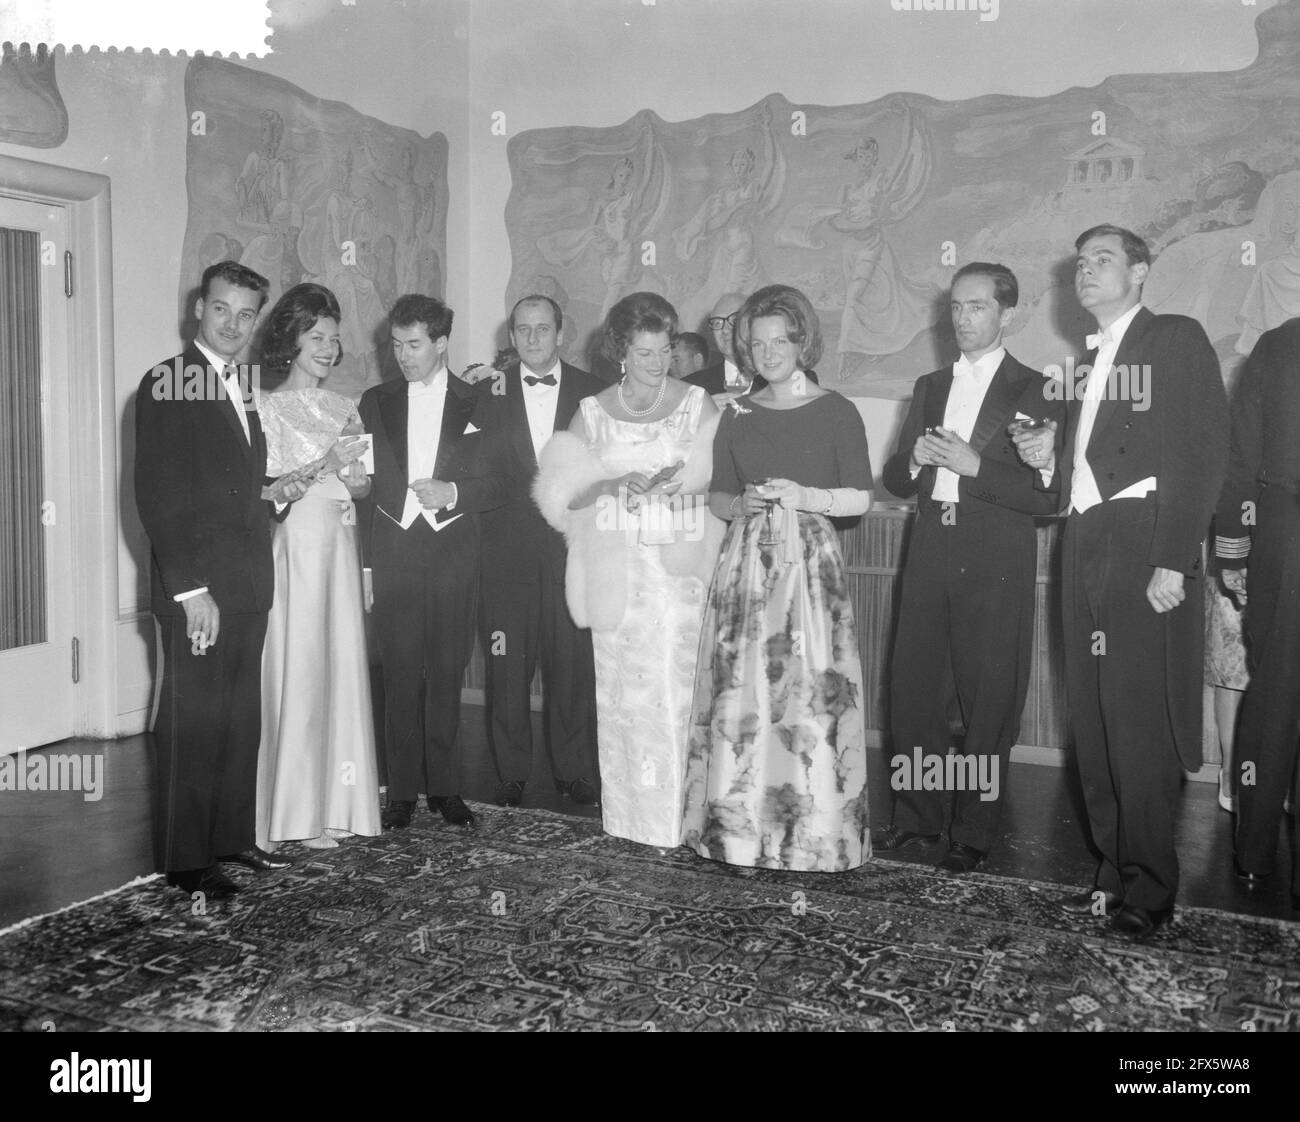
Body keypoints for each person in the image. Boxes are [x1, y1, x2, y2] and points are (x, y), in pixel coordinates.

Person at [1013, 225, 1228, 938]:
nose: (1086, 271)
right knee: (1096, 722)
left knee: (1136, 721)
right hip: (1084, 541)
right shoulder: (1083, 364)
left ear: (1140, 271)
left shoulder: (1174, 338)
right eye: (1080, 262)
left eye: (1103, 259)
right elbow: (1077, 473)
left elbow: (1200, 453)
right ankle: (1112, 872)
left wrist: (1175, 556)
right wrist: (1048, 456)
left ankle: (1151, 887)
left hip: (1143, 543)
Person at [874, 264, 1063, 873]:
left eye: (977, 307)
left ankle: (974, 827)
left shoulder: (1038, 388)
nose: (962, 318)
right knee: (914, 690)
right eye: (955, 307)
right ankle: (916, 817)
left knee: (988, 700)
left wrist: (974, 465)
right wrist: (915, 457)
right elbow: (896, 479)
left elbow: (1047, 499)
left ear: (1008, 313)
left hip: (996, 558)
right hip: (929, 548)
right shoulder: (930, 385)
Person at [681, 284, 872, 871]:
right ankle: (736, 834)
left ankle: (814, 839)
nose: (768, 353)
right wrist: (741, 506)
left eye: (780, 340)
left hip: (809, 568)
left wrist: (805, 496)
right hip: (747, 563)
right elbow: (717, 493)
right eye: (757, 343)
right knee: (744, 694)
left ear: (801, 341)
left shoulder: (837, 410)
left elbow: (861, 498)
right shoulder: (734, 412)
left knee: (808, 697)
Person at [134, 260, 308, 900]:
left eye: (245, 314)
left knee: (239, 717)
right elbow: (159, 497)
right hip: (198, 592)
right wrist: (188, 591)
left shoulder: (248, 385)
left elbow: (239, 489)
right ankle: (185, 861)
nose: (233, 324)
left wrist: (279, 494)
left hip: (248, 582)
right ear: (197, 310)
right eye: (221, 310)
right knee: (193, 721)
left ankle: (230, 836)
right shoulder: (166, 383)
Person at [534, 291, 722, 848]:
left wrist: (679, 483)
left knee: (680, 692)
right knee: (625, 698)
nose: (657, 363)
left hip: (681, 573)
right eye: (644, 353)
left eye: (665, 351)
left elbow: (724, 477)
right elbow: (557, 496)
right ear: (621, 351)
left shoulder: (697, 403)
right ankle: (635, 819)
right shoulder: (592, 412)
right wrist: (611, 484)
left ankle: (688, 819)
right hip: (618, 573)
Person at [358, 294, 517, 830]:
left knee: (446, 672)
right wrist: (366, 567)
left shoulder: (483, 402)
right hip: (394, 549)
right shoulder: (374, 401)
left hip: (453, 551)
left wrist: (453, 491)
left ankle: (446, 789)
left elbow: (505, 483)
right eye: (397, 345)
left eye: (415, 345)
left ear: (442, 343)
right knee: (399, 671)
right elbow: (361, 488)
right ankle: (400, 793)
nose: (403, 356)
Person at [254, 282, 381, 850]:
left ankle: (338, 805)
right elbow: (270, 492)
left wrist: (356, 480)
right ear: (291, 339)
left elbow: (361, 485)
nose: (328, 348)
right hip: (298, 544)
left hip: (342, 542)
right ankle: (296, 816)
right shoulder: (265, 406)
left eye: (333, 338)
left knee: (341, 665)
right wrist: (328, 463)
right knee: (303, 666)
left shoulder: (346, 406)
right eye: (316, 337)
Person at [478, 295, 606, 808]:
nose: (532, 338)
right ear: (511, 335)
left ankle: (574, 771)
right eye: (523, 329)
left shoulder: (594, 394)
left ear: (561, 333)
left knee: (571, 664)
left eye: (542, 328)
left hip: (571, 551)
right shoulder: (484, 393)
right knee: (507, 665)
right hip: (504, 557)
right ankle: (510, 772)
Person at [1214, 315, 1300, 911]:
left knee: (1274, 694)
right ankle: (1254, 849)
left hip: (1282, 529)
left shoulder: (1281, 342)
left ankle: (1253, 854)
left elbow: (1239, 455)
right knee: (1275, 693)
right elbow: (1239, 455)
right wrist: (1235, 547)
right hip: (1285, 526)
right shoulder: (1280, 344)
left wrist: (1237, 548)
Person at [686, 291, 820, 399]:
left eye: (734, 319)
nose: (725, 330)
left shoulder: (794, 378)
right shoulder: (692, 387)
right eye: (717, 323)